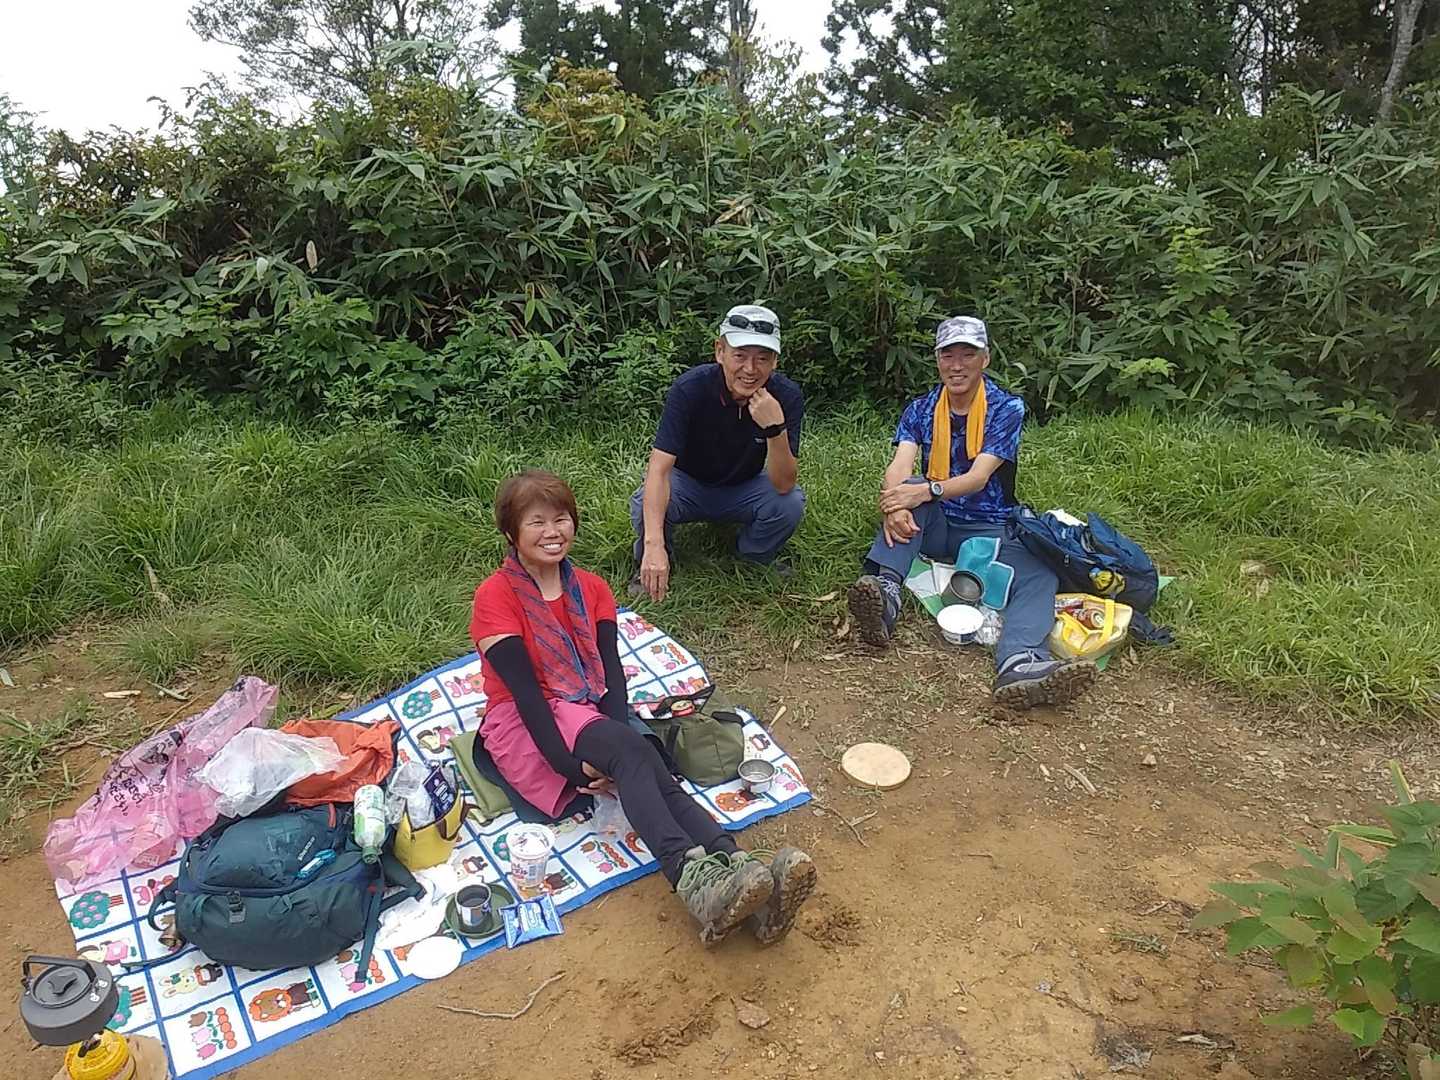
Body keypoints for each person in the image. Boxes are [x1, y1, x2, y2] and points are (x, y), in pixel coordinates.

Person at [470, 469, 816, 944]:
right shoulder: (495, 597)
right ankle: (690, 875)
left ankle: (741, 872)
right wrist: (572, 767)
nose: (552, 532)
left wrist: (619, 742)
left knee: (644, 760)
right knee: (633, 752)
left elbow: (611, 674)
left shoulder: (591, 588)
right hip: (528, 722)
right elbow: (528, 695)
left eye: (561, 519)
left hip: (585, 709)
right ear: (511, 533)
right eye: (536, 522)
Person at [846, 317, 1099, 709]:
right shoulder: (921, 408)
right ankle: (885, 597)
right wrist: (894, 504)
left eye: (968, 354)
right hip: (935, 521)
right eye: (948, 355)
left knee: (1040, 576)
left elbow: (979, 477)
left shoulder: (1005, 408)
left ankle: (1019, 662)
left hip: (988, 526)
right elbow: (900, 465)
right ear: (937, 360)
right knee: (909, 488)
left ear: (986, 359)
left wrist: (920, 492)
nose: (957, 365)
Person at [630, 304, 806, 601]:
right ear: (720, 352)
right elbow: (659, 469)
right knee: (643, 499)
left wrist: (775, 428)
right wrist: (653, 545)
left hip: (745, 486)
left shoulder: (786, 396)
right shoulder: (690, 388)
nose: (750, 369)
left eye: (763, 358)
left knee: (790, 502)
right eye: (740, 356)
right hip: (688, 484)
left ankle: (753, 557)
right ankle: (654, 562)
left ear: (775, 361)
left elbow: (783, 484)